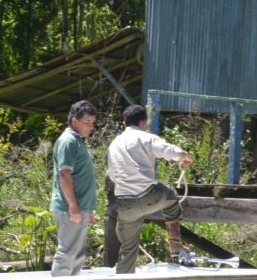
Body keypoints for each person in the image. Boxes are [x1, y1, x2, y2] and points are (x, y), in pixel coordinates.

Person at [107, 104, 193, 274]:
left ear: (124, 123)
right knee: (170, 193)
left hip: (124, 204)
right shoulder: (147, 138)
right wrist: (183, 156)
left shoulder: (113, 144)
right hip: (148, 196)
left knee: (128, 249)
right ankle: (175, 244)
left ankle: (123, 277)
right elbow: (167, 150)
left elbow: (110, 173)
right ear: (143, 122)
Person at [49, 100, 98, 277]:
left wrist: (88, 209)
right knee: (67, 253)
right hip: (69, 208)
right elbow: (64, 174)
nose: (91, 127)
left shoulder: (78, 141)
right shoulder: (68, 141)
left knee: (77, 255)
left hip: (80, 207)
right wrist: (73, 206)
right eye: (87, 122)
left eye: (92, 123)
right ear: (74, 121)